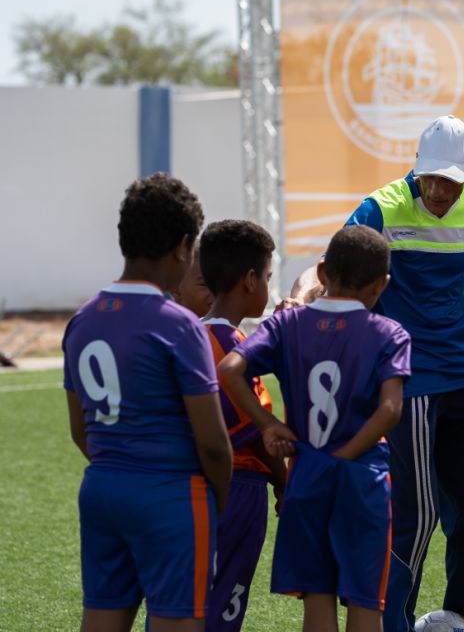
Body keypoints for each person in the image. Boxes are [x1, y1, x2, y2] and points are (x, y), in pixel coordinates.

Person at [289, 115, 464, 632]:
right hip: (409, 377)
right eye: (430, 178)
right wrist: (300, 296)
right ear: (416, 170)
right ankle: (392, 623)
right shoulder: (382, 206)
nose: (439, 190)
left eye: (450, 178)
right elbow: (329, 265)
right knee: (415, 518)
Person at [219, 225, 411, 632]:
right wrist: (347, 454)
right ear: (382, 285)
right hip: (363, 481)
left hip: (306, 475)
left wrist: (268, 424)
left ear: (323, 273)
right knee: (365, 602)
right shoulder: (389, 333)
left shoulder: (286, 326)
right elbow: (390, 410)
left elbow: (229, 369)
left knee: (317, 599)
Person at [62, 173, 232, 631]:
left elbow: (81, 429)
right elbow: (214, 443)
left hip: (102, 489)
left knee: (100, 619)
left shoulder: (82, 320)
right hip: (170, 496)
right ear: (182, 246)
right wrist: (218, 498)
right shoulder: (179, 324)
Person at [198, 219, 288, 632]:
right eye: (268, 277)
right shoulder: (236, 350)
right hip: (237, 492)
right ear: (250, 281)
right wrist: (286, 482)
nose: (268, 286)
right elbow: (258, 432)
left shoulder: (186, 337)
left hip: (184, 486)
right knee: (222, 608)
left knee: (181, 605)